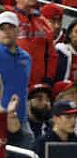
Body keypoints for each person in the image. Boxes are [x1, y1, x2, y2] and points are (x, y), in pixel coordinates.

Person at [0, 11, 32, 147]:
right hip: (1, 118)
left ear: (18, 30)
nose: (6, 32)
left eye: (11, 27)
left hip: (21, 118)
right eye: (2, 28)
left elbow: (24, 87)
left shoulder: (26, 57)